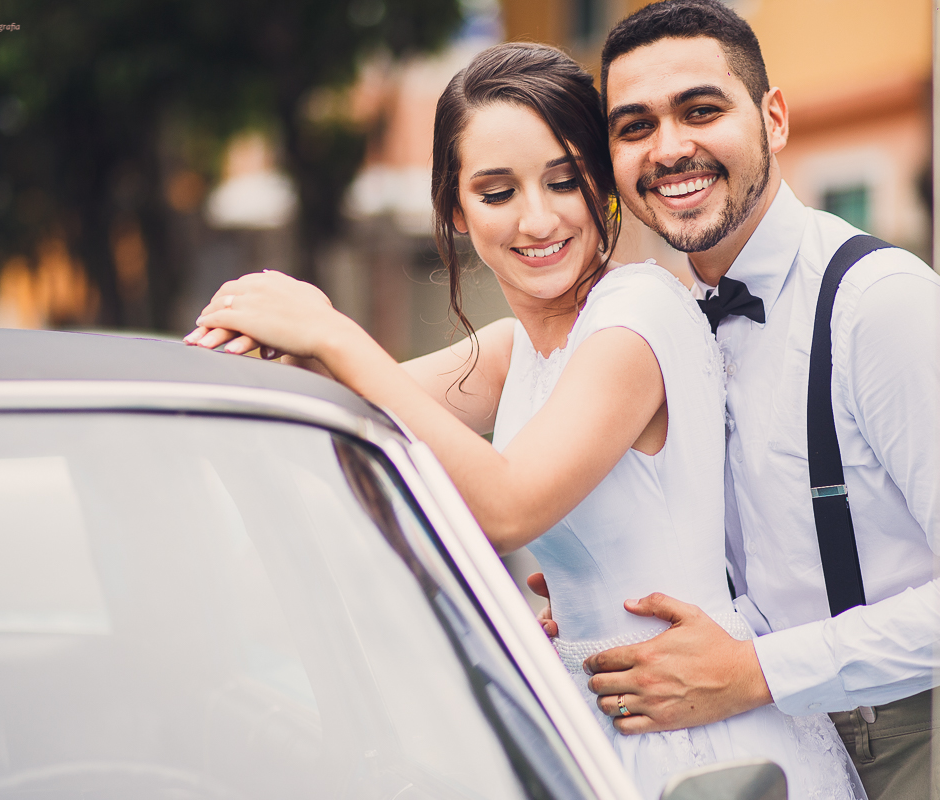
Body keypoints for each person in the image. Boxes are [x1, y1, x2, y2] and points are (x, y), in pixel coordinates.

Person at [185, 41, 861, 800]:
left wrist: (334, 332)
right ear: (455, 209)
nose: (538, 220)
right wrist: (247, 346)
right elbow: (351, 413)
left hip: (696, 743)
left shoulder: (637, 315)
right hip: (591, 721)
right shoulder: (517, 352)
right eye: (497, 192)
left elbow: (507, 505)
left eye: (565, 181)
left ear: (602, 187)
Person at [545, 2, 940, 798]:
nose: (670, 149)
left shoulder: (883, 307)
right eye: (634, 126)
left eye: (700, 110)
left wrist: (756, 672)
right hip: (786, 734)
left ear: (773, 118)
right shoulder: (671, 318)